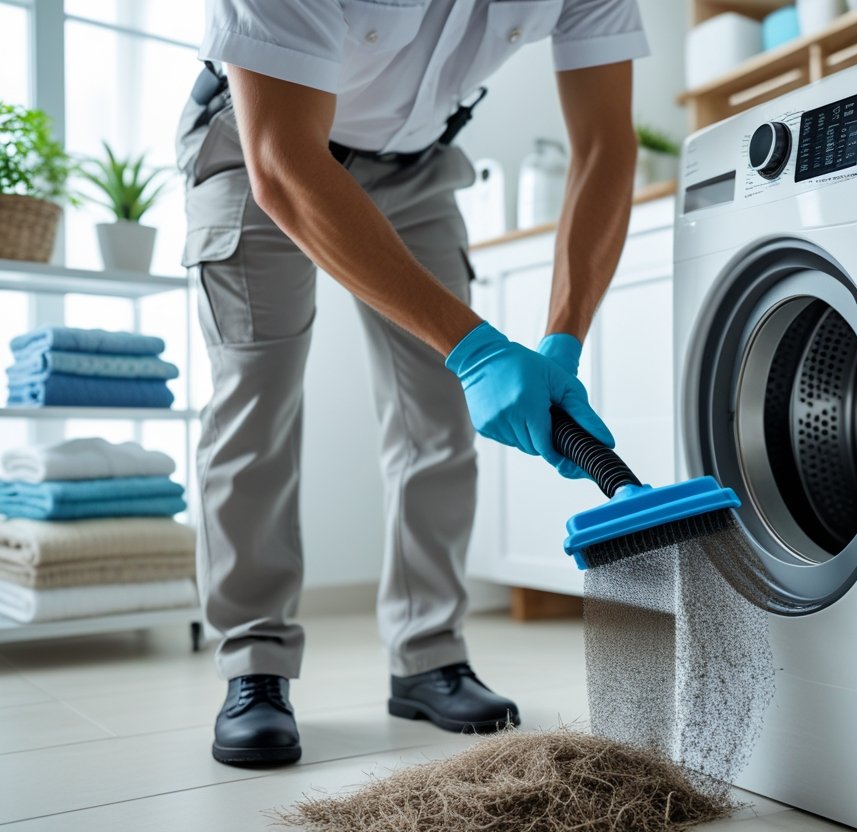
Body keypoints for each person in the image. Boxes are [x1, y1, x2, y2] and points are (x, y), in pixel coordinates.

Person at [175, 0, 646, 767]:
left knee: (438, 418)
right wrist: (480, 351)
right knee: (253, 404)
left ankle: (428, 654)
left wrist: (562, 338)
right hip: (262, 143)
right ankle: (253, 665)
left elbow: (605, 149)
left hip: (418, 169)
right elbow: (284, 167)